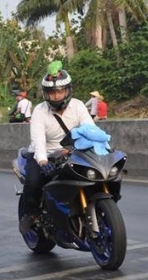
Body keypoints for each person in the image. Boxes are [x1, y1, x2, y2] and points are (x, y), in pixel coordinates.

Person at [19, 61, 94, 235]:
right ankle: (30, 214)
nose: (57, 96)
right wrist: (43, 160)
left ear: (68, 90)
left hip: (73, 151)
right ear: (46, 94)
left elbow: (90, 130)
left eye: (60, 91)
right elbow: (38, 140)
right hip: (45, 154)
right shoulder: (39, 111)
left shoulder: (78, 106)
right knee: (34, 181)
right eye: (52, 92)